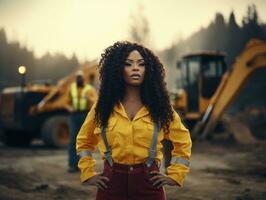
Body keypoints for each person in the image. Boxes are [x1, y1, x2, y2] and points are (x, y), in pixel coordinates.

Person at [76, 41, 192, 199]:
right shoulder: (102, 107)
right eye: (128, 64)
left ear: (149, 70)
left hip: (150, 185)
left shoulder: (160, 107)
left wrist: (175, 175)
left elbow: (183, 141)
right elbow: (84, 142)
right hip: (111, 185)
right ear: (117, 69)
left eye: (141, 64)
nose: (135, 68)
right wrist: (88, 172)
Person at [67, 70, 97, 173]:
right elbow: (67, 102)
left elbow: (95, 102)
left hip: (85, 115)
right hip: (74, 115)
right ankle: (72, 165)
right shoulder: (72, 88)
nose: (79, 79)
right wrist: (69, 107)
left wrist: (89, 99)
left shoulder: (89, 89)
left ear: (84, 78)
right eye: (77, 77)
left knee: (85, 141)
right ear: (76, 78)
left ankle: (84, 166)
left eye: (80, 77)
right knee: (73, 140)